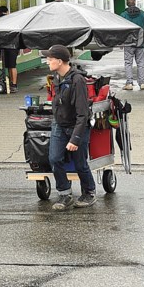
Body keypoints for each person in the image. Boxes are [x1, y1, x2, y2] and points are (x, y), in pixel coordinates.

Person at [41, 45, 96, 211]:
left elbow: (82, 113)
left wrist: (75, 138)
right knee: (54, 159)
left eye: (50, 59)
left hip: (77, 126)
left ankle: (89, 192)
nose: (47, 62)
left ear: (59, 61)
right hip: (59, 124)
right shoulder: (57, 77)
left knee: (80, 163)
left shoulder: (77, 80)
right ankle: (65, 194)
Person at [119, 0, 144, 91]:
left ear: (127, 4)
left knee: (128, 63)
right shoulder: (142, 14)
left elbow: (121, 30)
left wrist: (121, 41)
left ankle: (129, 83)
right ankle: (142, 83)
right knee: (140, 63)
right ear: (135, 3)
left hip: (128, 43)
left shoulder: (123, 15)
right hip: (140, 42)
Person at [0, 6, 20, 92]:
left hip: (9, 46)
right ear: (7, 11)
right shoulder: (12, 20)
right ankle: (12, 83)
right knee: (11, 66)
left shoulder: (2, 20)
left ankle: (13, 84)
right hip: (14, 46)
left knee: (11, 66)